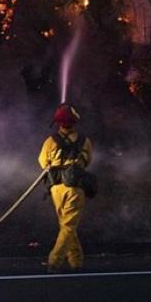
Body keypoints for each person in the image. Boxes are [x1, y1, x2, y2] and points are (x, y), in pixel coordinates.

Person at [39, 103, 93, 273]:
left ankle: (76, 262)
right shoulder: (84, 141)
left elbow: (42, 162)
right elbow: (88, 161)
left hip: (56, 188)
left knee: (66, 225)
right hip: (75, 187)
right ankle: (54, 262)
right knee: (69, 226)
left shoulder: (50, 141)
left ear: (58, 123)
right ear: (74, 122)